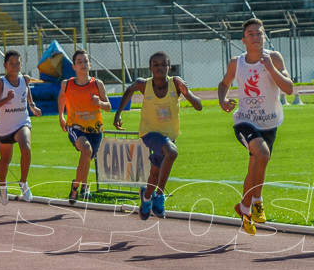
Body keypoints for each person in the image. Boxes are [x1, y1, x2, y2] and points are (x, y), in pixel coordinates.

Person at [217, 18, 295, 235]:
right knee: (262, 154)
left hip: (270, 122)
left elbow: (289, 89)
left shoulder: (274, 58)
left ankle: (243, 208)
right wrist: (222, 100)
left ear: (264, 37)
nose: (255, 37)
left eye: (259, 33)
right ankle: (258, 202)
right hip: (245, 120)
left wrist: (271, 68)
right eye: (250, 34)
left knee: (255, 165)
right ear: (243, 40)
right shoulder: (237, 63)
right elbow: (224, 83)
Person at [114, 51, 203, 220]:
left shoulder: (176, 84)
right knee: (172, 152)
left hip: (169, 135)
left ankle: (146, 197)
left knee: (155, 173)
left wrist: (187, 92)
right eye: (156, 65)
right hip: (149, 133)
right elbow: (129, 90)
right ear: (150, 68)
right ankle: (159, 196)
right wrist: (118, 114)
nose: (160, 68)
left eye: (163, 64)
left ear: (169, 67)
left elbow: (198, 106)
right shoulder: (143, 84)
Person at [0, 50, 42, 205]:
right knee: (5, 159)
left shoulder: (25, 80)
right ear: (5, 65)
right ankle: (2, 186)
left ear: (21, 64)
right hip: (6, 127)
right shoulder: (1, 83)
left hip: (22, 122)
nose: (14, 66)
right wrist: (6, 99)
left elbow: (27, 94)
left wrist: (33, 107)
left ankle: (23, 182)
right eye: (11, 63)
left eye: (17, 63)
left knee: (26, 147)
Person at [57, 49, 109, 204]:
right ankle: (84, 187)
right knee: (86, 150)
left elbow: (108, 106)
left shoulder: (97, 84)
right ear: (74, 67)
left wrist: (99, 102)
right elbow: (61, 98)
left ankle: (76, 185)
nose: (83, 64)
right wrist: (61, 115)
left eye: (85, 61)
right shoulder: (67, 84)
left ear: (90, 64)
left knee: (86, 157)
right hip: (75, 126)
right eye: (79, 62)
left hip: (95, 129)